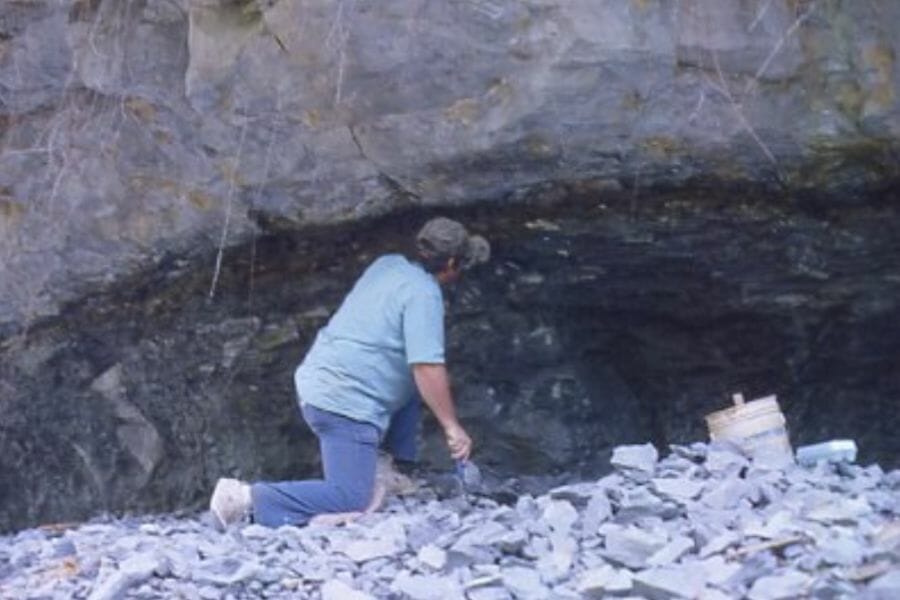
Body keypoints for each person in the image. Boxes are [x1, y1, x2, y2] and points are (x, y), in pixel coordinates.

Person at [209, 217, 490, 528]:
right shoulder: (424, 294)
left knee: (408, 381)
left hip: (321, 379)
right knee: (349, 497)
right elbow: (427, 367)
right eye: (461, 265)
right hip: (343, 403)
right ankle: (245, 497)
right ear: (451, 263)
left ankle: (389, 469)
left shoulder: (388, 265)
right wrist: (452, 427)